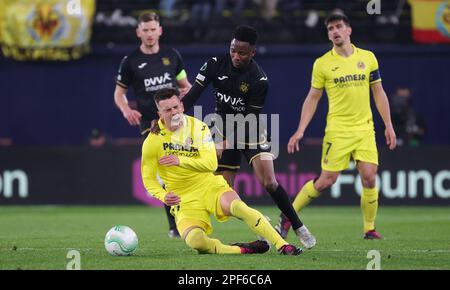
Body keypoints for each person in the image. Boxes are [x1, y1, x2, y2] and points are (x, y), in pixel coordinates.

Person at [181, 25, 316, 249]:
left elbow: (250, 119)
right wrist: (173, 116)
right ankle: (263, 227)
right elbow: (192, 96)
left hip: (251, 128)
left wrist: (225, 143)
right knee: (227, 192)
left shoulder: (259, 79)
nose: (235, 55)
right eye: (233, 49)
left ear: (252, 52)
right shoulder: (215, 63)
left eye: (242, 52)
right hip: (222, 126)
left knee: (269, 182)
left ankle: (298, 225)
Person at [277, 13, 397, 240]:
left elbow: (378, 92)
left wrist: (388, 124)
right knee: (326, 181)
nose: (335, 31)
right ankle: (288, 214)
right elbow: (313, 98)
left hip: (365, 129)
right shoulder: (323, 64)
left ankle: (369, 229)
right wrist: (300, 130)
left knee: (370, 176)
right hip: (338, 130)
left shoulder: (368, 58)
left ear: (349, 30)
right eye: (330, 28)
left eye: (339, 26)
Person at [141, 87, 302, 255]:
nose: (174, 112)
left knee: (239, 207)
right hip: (184, 198)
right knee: (196, 241)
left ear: (182, 106)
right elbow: (148, 178)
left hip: (209, 186)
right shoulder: (153, 141)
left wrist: (181, 160)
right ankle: (243, 249)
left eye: (176, 107)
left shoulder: (198, 128)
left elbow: (211, 164)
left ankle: (283, 245)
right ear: (159, 113)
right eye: (167, 110)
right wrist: (163, 195)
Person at [114, 12, 192, 238]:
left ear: (160, 30)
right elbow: (119, 94)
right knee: (167, 170)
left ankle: (186, 218)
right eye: (145, 30)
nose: (149, 34)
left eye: (152, 29)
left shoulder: (172, 56)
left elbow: (184, 84)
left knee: (184, 167)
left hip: (178, 120)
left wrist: (188, 91)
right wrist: (126, 109)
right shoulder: (130, 62)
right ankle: (175, 225)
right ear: (138, 32)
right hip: (152, 124)